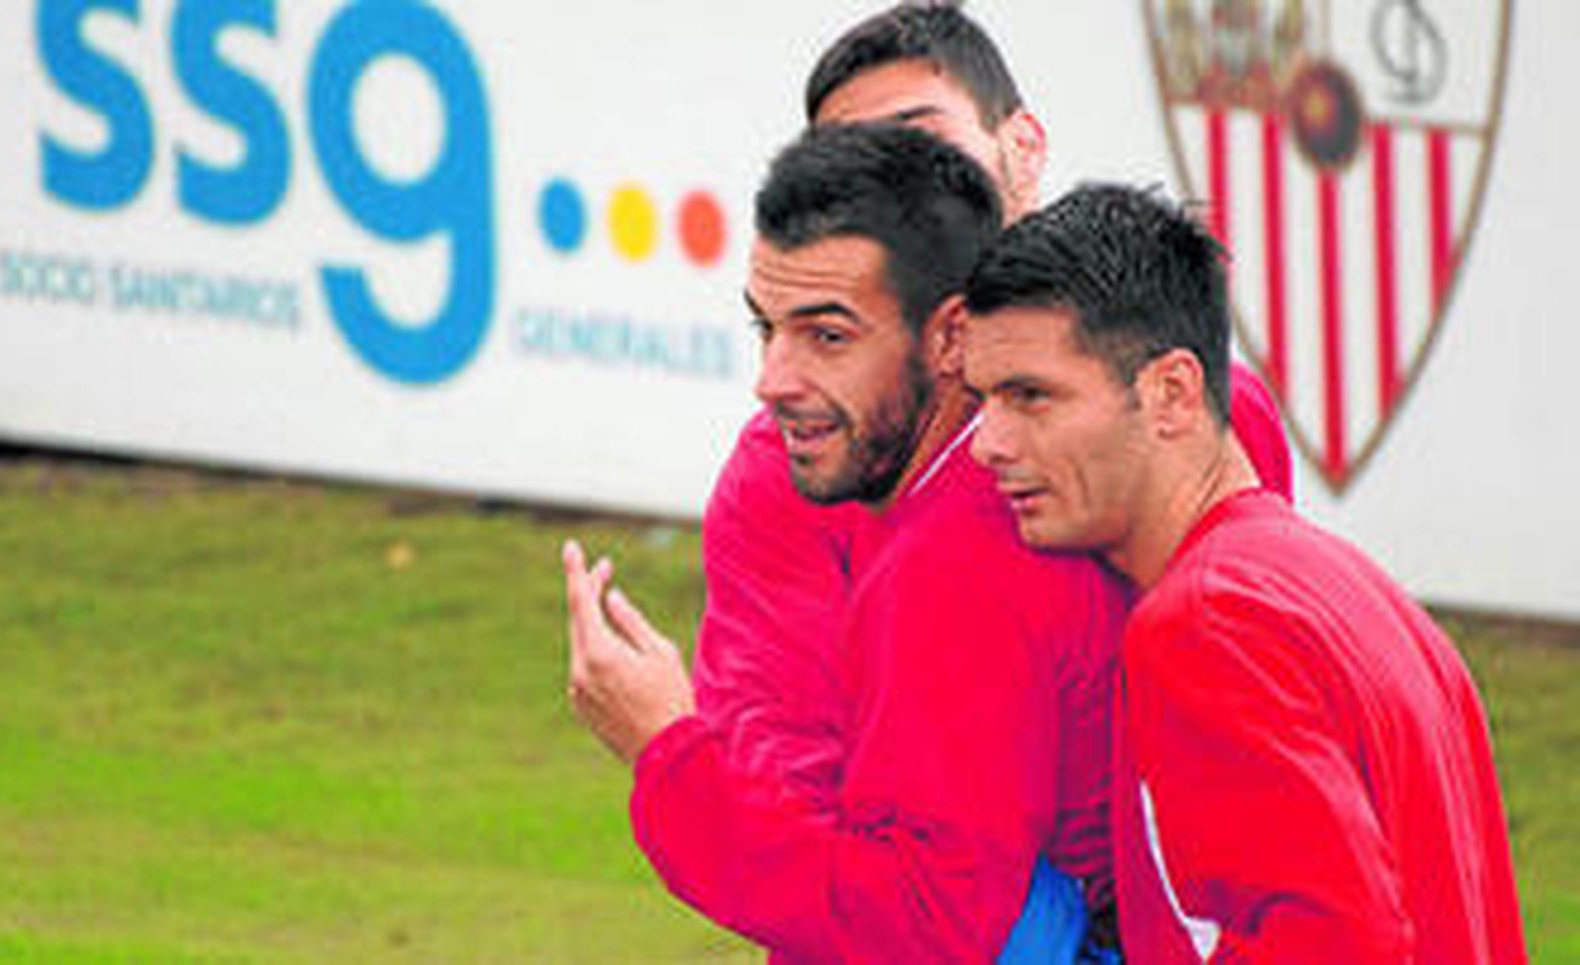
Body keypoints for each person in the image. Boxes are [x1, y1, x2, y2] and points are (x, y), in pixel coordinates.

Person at [695, 0, 1292, 829]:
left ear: (1024, 148)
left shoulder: (1199, 403)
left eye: (920, 141)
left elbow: (1255, 699)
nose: (894, 188)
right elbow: (784, 790)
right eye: (854, 163)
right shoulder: (781, 472)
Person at [564, 123, 1128, 961]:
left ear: (951, 338)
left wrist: (668, 750)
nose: (772, 381)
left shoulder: (958, 552)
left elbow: (931, 922)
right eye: (767, 329)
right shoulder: (996, 487)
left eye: (827, 336)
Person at [962, 183, 1527, 962]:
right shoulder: (1361, 591)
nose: (987, 443)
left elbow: (1336, 945)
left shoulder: (1204, 624)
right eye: (983, 399)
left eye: (1030, 396)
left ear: (1172, 392)